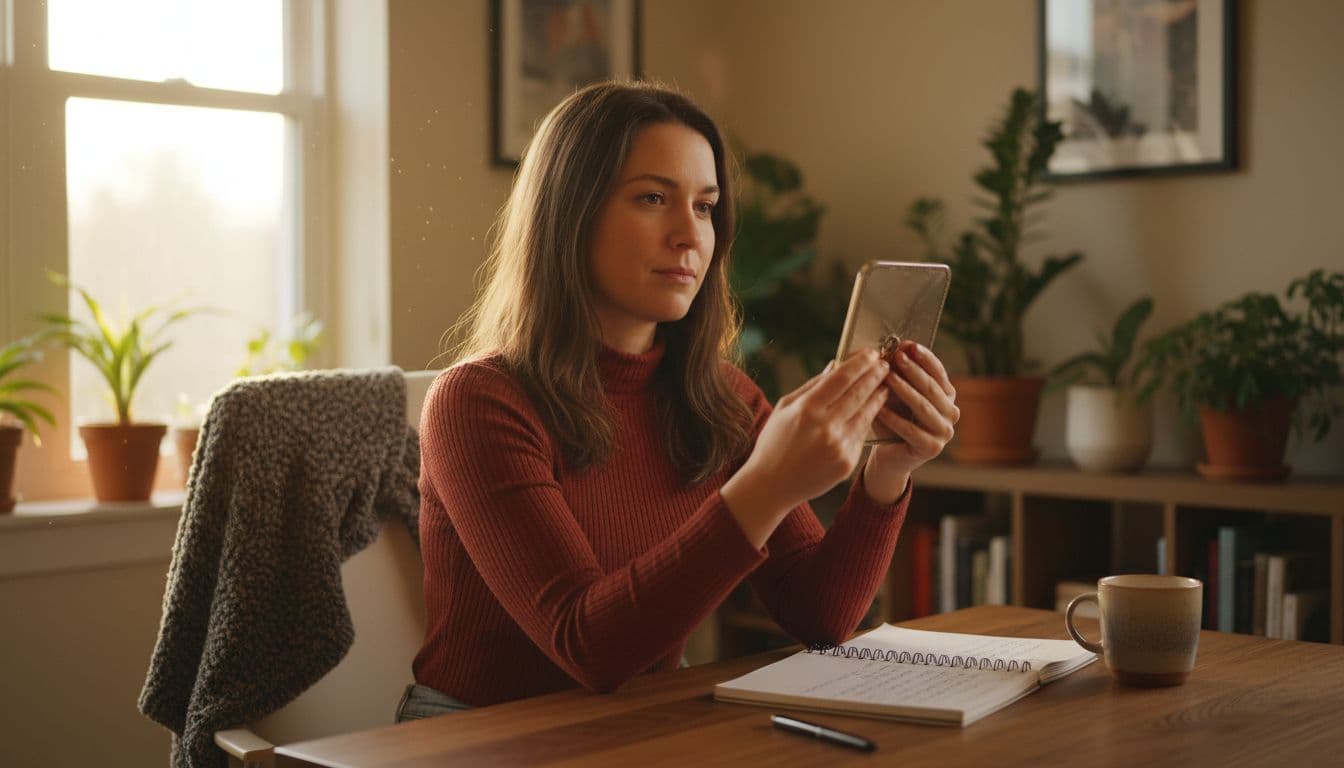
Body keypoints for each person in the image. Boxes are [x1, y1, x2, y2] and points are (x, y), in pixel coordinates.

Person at [400, 80, 959, 721]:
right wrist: (766, 485)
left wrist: (886, 471)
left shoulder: (721, 398)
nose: (689, 235)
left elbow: (820, 616)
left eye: (703, 206)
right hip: (472, 739)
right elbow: (588, 647)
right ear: (568, 216)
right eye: (651, 198)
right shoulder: (477, 404)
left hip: (637, 724)